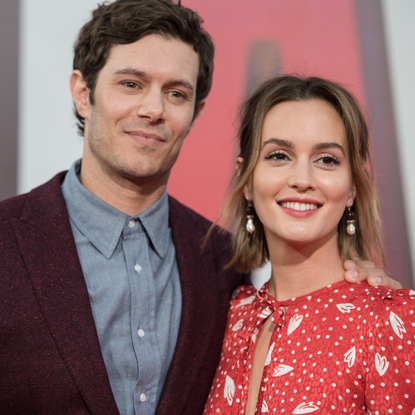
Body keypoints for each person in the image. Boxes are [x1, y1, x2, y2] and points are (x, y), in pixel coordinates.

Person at [0, 1, 400, 414]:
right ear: (84, 94)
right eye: (131, 84)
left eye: (176, 93)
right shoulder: (6, 239)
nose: (153, 110)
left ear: (195, 113)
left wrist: (368, 302)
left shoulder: (221, 263)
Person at [204, 75, 415, 414]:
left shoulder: (393, 320)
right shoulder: (233, 313)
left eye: (327, 159)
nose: (302, 179)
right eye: (278, 155)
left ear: (352, 189)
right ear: (246, 180)